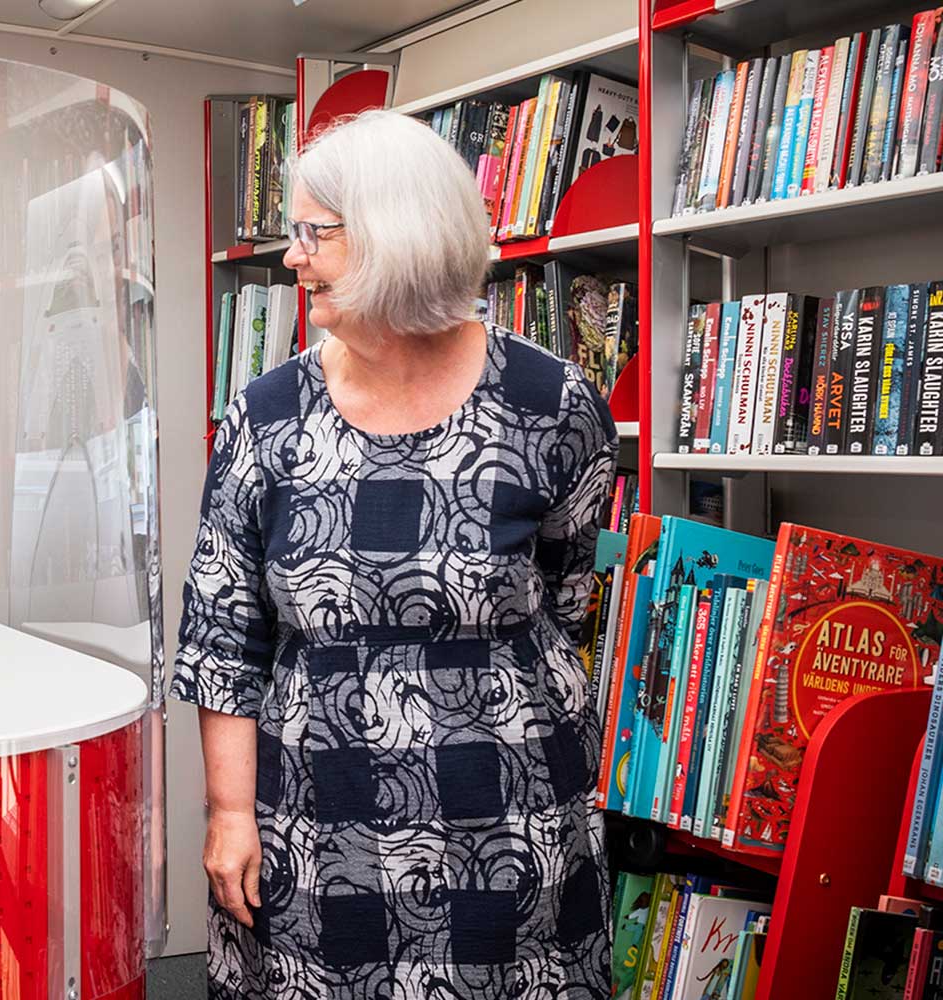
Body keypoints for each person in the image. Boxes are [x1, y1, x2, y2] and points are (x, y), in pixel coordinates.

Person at [174, 110, 617, 998]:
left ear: (395, 237)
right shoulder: (266, 417)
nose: (292, 256)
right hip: (313, 816)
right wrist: (230, 814)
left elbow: (573, 598)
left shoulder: (553, 404)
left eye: (314, 233)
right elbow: (224, 638)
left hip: (510, 815)